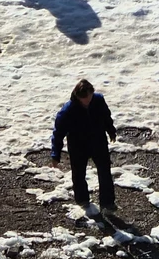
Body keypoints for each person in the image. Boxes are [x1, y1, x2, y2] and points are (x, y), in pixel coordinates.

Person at [51, 79, 118, 218]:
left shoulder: (98, 100)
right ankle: (82, 200)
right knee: (78, 173)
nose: (87, 101)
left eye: (89, 97)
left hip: (98, 142)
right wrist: (55, 155)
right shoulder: (67, 110)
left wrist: (111, 131)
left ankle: (107, 203)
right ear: (77, 96)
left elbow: (106, 116)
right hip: (78, 146)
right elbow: (58, 133)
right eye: (83, 99)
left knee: (105, 171)